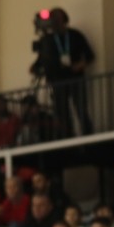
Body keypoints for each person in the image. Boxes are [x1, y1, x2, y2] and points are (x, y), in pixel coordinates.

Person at [30, 7, 93, 136]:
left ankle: (88, 136)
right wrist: (34, 68)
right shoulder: (47, 40)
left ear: (65, 20)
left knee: (81, 111)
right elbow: (41, 60)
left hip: (75, 80)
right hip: (57, 83)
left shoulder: (75, 35)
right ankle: (68, 138)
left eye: (57, 20)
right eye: (53, 20)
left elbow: (90, 55)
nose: (55, 23)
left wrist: (80, 65)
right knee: (62, 114)